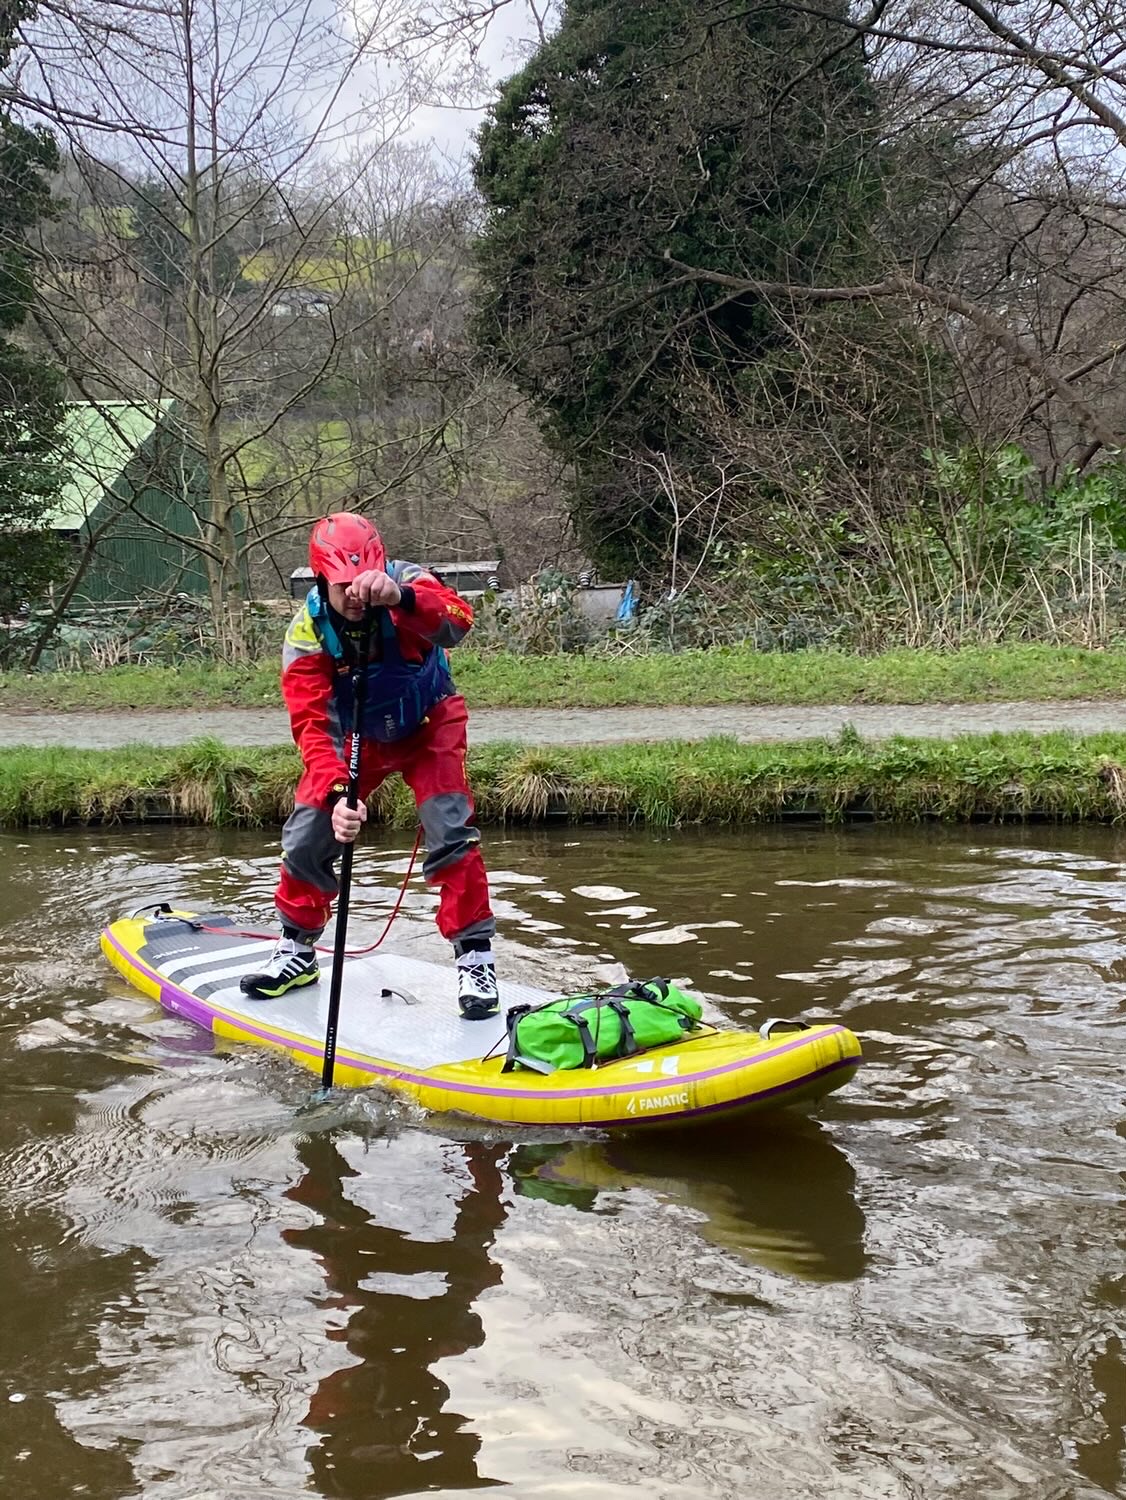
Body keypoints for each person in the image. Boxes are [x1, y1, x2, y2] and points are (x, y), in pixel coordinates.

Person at [240, 511, 498, 1019]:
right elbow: (312, 727)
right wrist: (338, 796)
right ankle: (296, 948)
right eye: (342, 587)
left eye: (361, 582)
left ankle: (474, 957)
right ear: (320, 579)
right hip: (357, 737)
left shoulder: (407, 584)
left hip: (430, 726)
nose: (355, 596)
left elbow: (459, 623)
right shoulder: (306, 634)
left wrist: (401, 597)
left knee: (449, 829)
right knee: (309, 830)